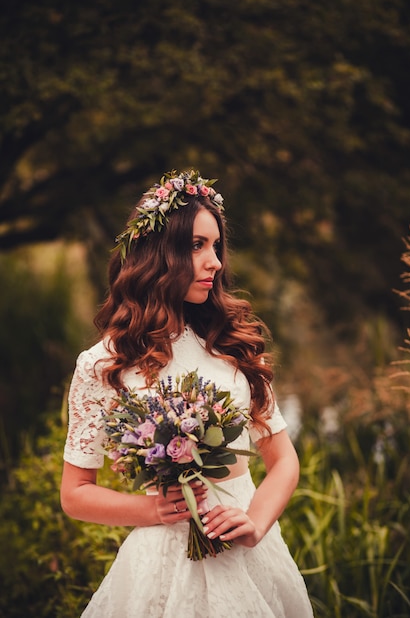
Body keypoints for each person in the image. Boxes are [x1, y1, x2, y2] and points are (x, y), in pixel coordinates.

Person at [61, 169, 314, 618]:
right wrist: (152, 510)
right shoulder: (104, 364)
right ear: (158, 255)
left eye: (216, 246)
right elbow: (76, 493)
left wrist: (256, 522)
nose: (215, 262)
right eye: (197, 246)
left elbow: (284, 461)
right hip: (161, 561)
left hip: (248, 553)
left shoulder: (232, 346)